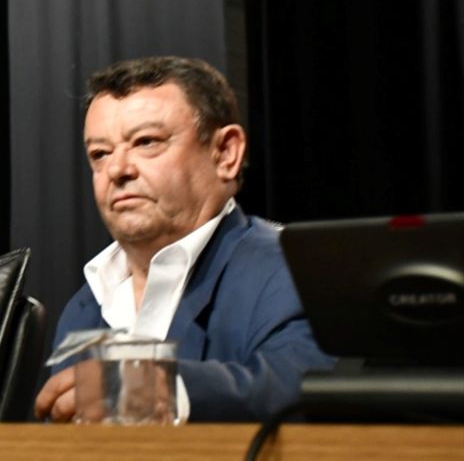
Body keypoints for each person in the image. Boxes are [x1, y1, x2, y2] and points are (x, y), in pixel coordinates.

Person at [34, 56, 334, 423]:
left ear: (226, 153)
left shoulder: (293, 271)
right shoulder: (84, 307)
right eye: (100, 154)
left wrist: (156, 389)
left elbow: (311, 389)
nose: (117, 169)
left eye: (146, 142)